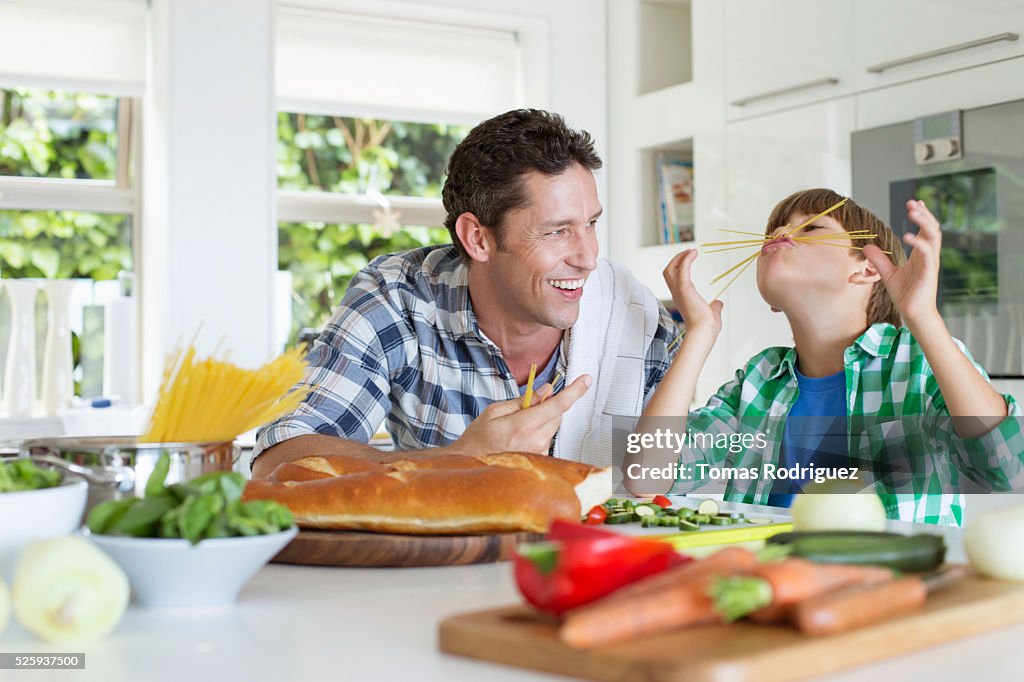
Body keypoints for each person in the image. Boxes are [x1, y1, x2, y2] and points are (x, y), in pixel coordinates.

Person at [252, 109, 679, 479]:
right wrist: (458, 460)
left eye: (591, 223)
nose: (589, 257)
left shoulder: (632, 317)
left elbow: (674, 485)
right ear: (477, 238)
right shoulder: (398, 297)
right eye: (557, 231)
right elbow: (280, 461)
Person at [630, 188, 1023, 525]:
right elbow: (646, 478)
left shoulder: (917, 360)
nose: (781, 233)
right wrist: (698, 335)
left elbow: (1007, 470)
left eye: (811, 227)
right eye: (775, 231)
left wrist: (923, 317)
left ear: (868, 268)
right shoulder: (759, 379)